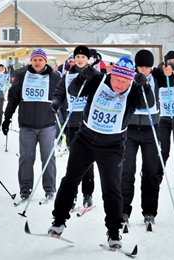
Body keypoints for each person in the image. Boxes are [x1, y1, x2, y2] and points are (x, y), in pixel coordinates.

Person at [47, 55, 155, 249]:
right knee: (70, 179)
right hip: (85, 139)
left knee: (112, 189)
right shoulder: (98, 80)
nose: (119, 84)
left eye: (124, 81)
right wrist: (82, 77)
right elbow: (74, 92)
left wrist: (144, 85)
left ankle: (114, 233)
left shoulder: (133, 90)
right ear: (111, 74)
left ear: (130, 80)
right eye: (117, 79)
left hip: (112, 146)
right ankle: (59, 221)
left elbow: (148, 104)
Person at [121, 49, 172, 228]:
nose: (143, 71)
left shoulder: (156, 77)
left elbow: (169, 79)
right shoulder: (129, 78)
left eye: (147, 67)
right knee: (127, 171)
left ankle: (149, 211)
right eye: (140, 67)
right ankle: (123, 211)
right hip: (131, 129)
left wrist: (168, 72)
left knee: (151, 171)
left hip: (151, 128)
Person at [2, 48, 61, 201]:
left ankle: (49, 189)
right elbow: (13, 98)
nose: (37, 62)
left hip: (47, 125)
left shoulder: (54, 77)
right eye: (35, 59)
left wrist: (62, 114)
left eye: (40, 60)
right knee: (26, 158)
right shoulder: (22, 75)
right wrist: (7, 118)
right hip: (27, 125)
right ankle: (25, 189)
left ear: (45, 61)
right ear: (31, 61)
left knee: (48, 157)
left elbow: (62, 97)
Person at [51, 45, 95, 209]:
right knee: (74, 160)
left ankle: (88, 193)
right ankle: (72, 194)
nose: (80, 59)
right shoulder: (68, 75)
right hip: (73, 121)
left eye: (83, 57)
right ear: (74, 59)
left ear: (88, 59)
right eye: (78, 57)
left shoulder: (95, 75)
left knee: (88, 160)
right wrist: (56, 102)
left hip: (90, 123)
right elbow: (59, 92)